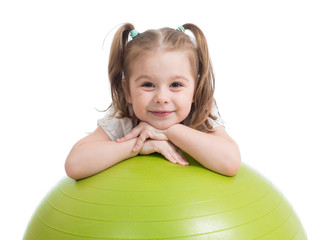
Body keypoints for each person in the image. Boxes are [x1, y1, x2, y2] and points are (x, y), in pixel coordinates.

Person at [65, 23, 241, 180]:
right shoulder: (126, 119)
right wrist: (140, 145)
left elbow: (230, 162)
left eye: (176, 84)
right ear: (127, 91)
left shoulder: (201, 114)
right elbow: (75, 164)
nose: (162, 98)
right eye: (148, 85)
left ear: (195, 89)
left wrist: (170, 131)